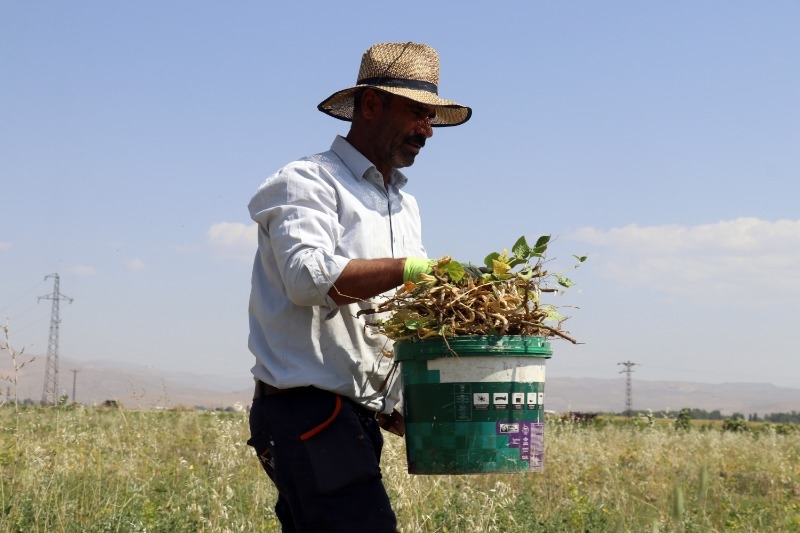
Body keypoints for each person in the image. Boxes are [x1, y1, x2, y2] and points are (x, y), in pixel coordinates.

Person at [246, 41, 471, 532]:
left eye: (431, 117)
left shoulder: (402, 204)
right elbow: (308, 280)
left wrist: (394, 404)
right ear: (371, 105)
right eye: (416, 112)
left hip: (352, 417)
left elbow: (387, 317)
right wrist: (415, 269)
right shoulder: (307, 182)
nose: (426, 130)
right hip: (306, 410)